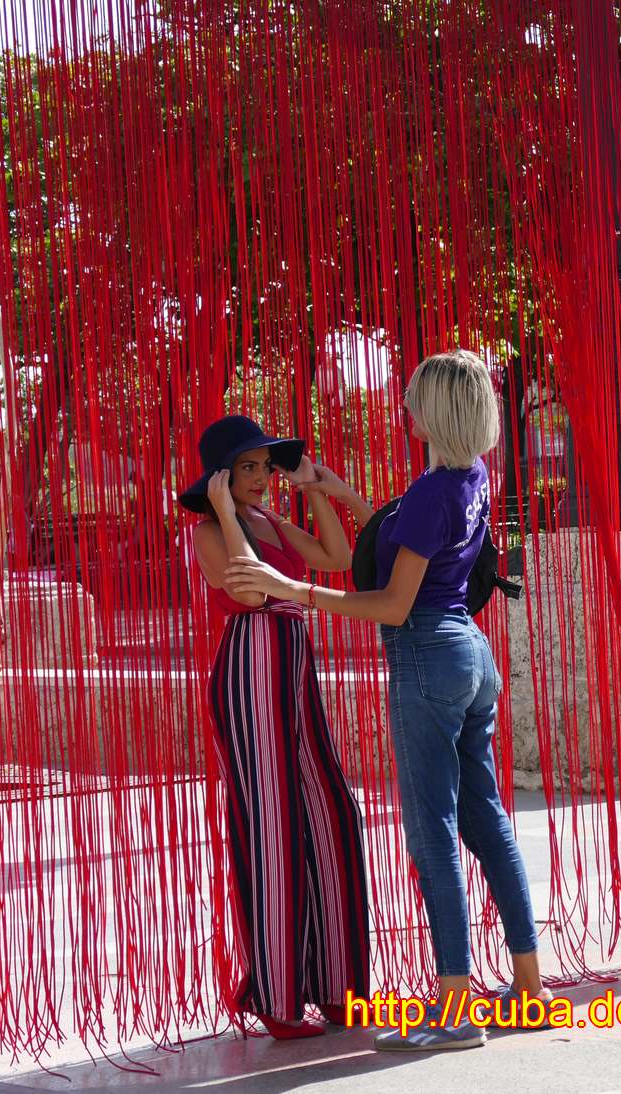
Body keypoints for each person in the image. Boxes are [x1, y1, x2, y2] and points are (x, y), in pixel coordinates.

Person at [226, 350, 549, 1052]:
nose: (404, 409)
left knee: (432, 834)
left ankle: (454, 1009)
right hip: (470, 655)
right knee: (487, 821)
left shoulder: (435, 490)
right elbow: (408, 544)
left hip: (427, 656)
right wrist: (338, 491)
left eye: (413, 399)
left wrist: (295, 591)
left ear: (437, 412)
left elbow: (396, 601)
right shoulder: (470, 476)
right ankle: (529, 989)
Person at [178, 415, 374, 1039]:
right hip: (250, 664)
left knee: (332, 812)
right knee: (272, 826)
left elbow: (339, 559)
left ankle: (339, 987)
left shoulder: (268, 519)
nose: (262, 477)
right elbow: (251, 596)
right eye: (248, 467)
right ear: (221, 476)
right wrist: (223, 510)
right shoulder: (209, 531)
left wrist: (313, 488)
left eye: (265, 466)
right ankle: (276, 996)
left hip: (292, 660)